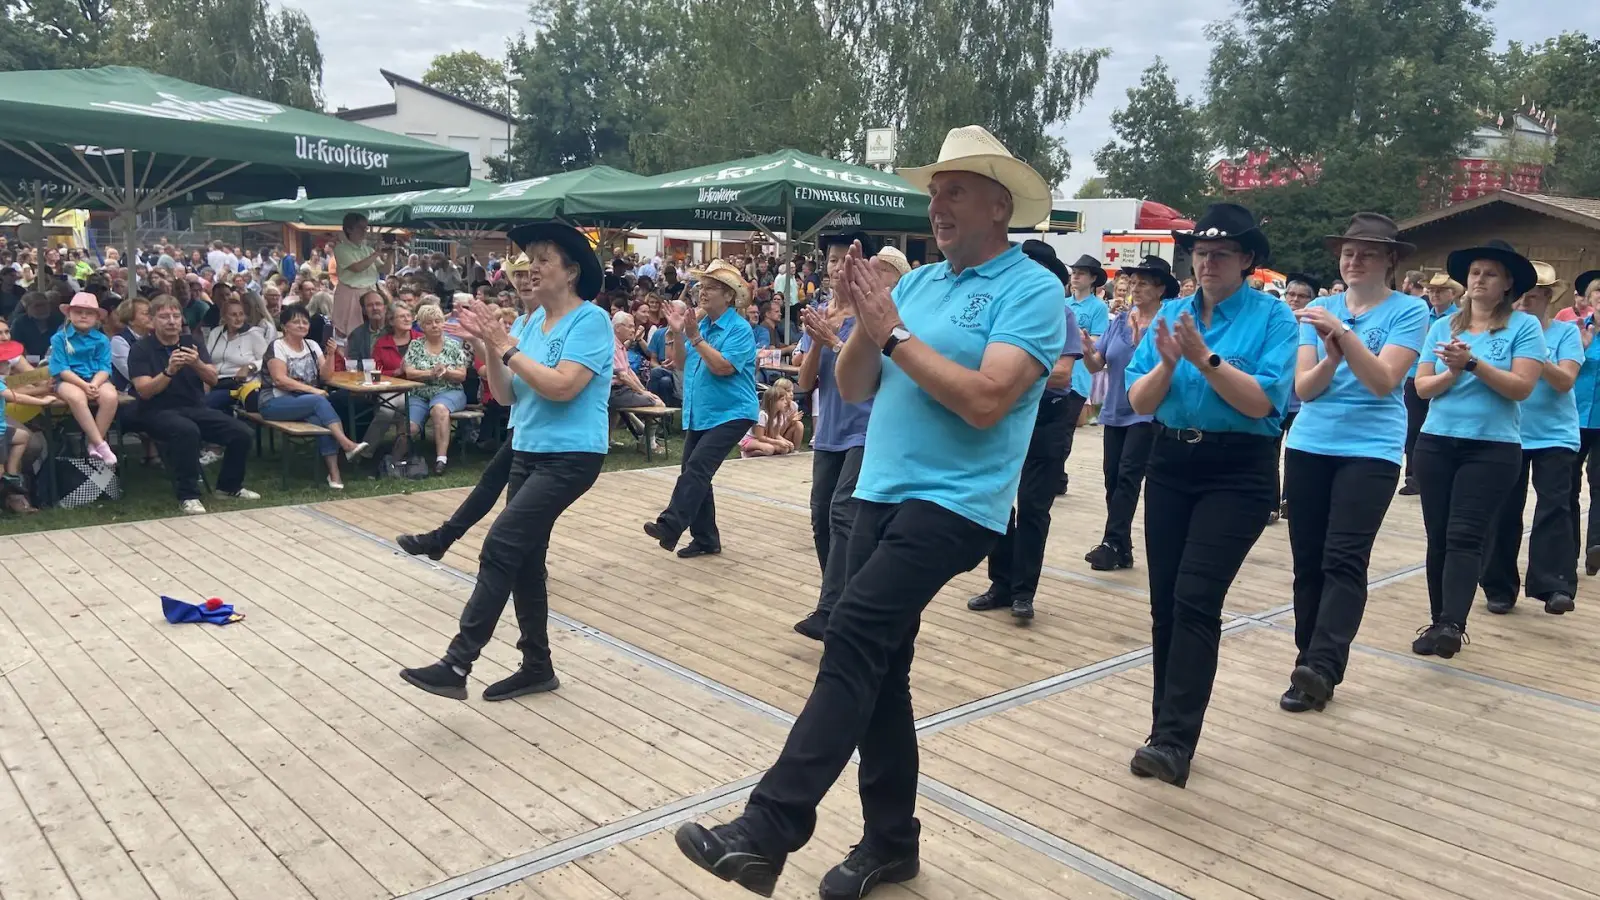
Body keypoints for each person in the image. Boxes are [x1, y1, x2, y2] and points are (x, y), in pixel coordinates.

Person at [673, 125, 1064, 900]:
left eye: (954, 190)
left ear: (1000, 204)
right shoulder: (915, 284)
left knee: (851, 631)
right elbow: (855, 388)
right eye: (934, 190)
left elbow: (988, 402)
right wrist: (861, 321)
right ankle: (892, 843)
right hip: (879, 490)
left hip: (955, 502)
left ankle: (768, 829)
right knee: (881, 672)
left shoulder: (1033, 290)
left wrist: (893, 333)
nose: (937, 203)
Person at [398, 222, 612, 701]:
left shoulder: (590, 321)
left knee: (500, 546)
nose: (530, 268)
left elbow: (562, 387)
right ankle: (537, 665)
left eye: (543, 259)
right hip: (529, 452)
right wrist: (487, 347)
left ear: (572, 271)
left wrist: (505, 345)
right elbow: (504, 394)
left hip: (572, 456)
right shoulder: (531, 322)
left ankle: (457, 663)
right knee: (524, 561)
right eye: (528, 258)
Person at [1122, 202, 1297, 788]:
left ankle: (1175, 741)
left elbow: (1261, 403)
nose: (1209, 262)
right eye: (1200, 252)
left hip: (1238, 469)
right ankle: (1161, 730)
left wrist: (1206, 358)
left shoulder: (1275, 320)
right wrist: (1170, 364)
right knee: (1165, 602)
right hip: (1171, 459)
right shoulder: (1171, 313)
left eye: (1222, 253)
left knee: (1196, 597)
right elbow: (1140, 403)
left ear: (1247, 260)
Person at [1277, 214, 1428, 713]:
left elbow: (1384, 381)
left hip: (1372, 450)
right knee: (1308, 561)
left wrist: (1344, 335)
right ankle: (1307, 667)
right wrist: (1332, 356)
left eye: (1366, 252)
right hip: (1310, 444)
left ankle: (1323, 665)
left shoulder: (1409, 311)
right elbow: (1306, 389)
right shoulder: (1319, 307)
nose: (1353, 260)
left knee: (1343, 558)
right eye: (1347, 251)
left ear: (1391, 259)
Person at [1411, 239, 1544, 658]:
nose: (1479, 279)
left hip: (1491, 446)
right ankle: (1438, 621)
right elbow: (1421, 386)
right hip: (1436, 443)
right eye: (1474, 272)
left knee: (1465, 535)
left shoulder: (1523, 327)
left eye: (1490, 273)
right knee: (1438, 537)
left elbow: (1521, 387)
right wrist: (1452, 373)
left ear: (1507, 284)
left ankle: (1453, 623)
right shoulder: (1443, 326)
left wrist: (1472, 365)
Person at [966, 240, 1082, 621]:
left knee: (1034, 505)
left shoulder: (1060, 313)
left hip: (1047, 418)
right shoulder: (1004, 308)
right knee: (999, 502)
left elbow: (1064, 373)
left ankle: (1023, 591)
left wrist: (1008, 376)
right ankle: (1000, 583)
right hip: (1009, 416)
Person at [791, 233, 895, 641]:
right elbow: (803, 382)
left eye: (842, 260)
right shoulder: (820, 313)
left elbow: (883, 372)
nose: (835, 268)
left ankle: (829, 608)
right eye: (831, 260)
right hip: (829, 430)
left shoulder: (874, 314)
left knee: (841, 512)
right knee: (820, 517)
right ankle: (843, 597)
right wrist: (817, 343)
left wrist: (835, 339)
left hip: (866, 427)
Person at [1480, 261, 1581, 615]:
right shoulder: (1500, 331)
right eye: (1520, 298)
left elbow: (1565, 381)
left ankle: (1554, 585)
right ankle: (1498, 587)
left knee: (1555, 506)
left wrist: (1535, 356)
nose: (1525, 304)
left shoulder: (1565, 333)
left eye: (1535, 298)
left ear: (1549, 298)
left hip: (1555, 434)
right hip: (1509, 431)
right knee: (1503, 510)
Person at [642, 259, 758, 559]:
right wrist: (679, 333)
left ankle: (669, 525)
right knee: (694, 472)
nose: (702, 292)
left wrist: (694, 336)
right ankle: (706, 539)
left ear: (729, 295)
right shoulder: (701, 324)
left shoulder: (739, 329)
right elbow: (680, 363)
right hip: (703, 412)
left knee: (697, 468)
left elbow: (722, 367)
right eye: (701, 286)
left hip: (733, 411)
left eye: (711, 288)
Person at [1081, 255, 1178, 570]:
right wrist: (1085, 349)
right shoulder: (1121, 321)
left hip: (1147, 413)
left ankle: (1111, 542)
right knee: (1112, 478)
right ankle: (1122, 546)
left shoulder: (1168, 324)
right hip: (1114, 410)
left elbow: (1167, 368)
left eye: (1143, 283)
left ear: (1160, 288)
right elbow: (1099, 364)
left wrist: (1140, 341)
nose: (1135, 288)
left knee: (1128, 477)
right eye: (1132, 282)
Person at [127, 295, 260, 514]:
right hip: (156, 411)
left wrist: (196, 363)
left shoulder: (193, 343)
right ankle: (188, 495)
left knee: (242, 432)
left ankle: (228, 487)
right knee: (186, 431)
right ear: (152, 321)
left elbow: (213, 379)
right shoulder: (141, 349)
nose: (171, 321)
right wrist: (169, 371)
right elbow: (145, 391)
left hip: (194, 407)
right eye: (164, 317)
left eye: (176, 316)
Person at [257, 305, 369, 489]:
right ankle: (347, 444)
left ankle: (334, 475)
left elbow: (326, 376)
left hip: (304, 402)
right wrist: (313, 391)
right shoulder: (277, 346)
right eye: (296, 322)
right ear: (285, 326)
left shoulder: (312, 345)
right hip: (273, 402)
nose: (302, 325)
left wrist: (331, 354)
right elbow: (279, 380)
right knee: (319, 401)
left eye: (305, 321)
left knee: (321, 421)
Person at [1399, 273, 1463, 495]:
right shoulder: (1423, 315)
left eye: (1441, 290)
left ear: (1453, 294)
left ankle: (1431, 475)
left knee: (1432, 425)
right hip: (1414, 375)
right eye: (1432, 290)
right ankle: (1412, 476)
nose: (1434, 294)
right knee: (1413, 426)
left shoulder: (1458, 319)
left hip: (1444, 377)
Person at [1269, 272, 1320, 523]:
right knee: (1270, 450)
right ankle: (1270, 503)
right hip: (1277, 399)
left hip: (1303, 400)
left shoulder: (1316, 326)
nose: (1295, 300)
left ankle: (1290, 499)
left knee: (1296, 451)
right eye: (1291, 294)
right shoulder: (1275, 322)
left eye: (1302, 296)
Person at [1056, 254, 1109, 494]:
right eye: (1074, 272)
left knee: (1066, 428)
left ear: (1093, 279)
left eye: (1081, 273)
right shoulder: (1063, 303)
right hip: (1057, 370)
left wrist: (1074, 336)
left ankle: (1057, 475)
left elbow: (1097, 341)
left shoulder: (1098, 307)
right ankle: (1056, 475)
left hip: (1078, 376)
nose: (1075, 276)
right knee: (1052, 428)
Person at [49, 292, 120, 465]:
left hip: (96, 378)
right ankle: (101, 444)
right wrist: (83, 385)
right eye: (78, 311)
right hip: (68, 380)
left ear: (97, 317)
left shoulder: (102, 339)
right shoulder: (59, 338)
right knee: (76, 397)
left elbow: (105, 367)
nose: (83, 315)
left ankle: (92, 444)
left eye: (88, 313)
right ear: (69, 314)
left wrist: (94, 384)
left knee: (110, 396)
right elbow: (62, 369)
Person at [403, 303, 471, 475]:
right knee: (410, 427)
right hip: (420, 393)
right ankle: (402, 459)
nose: (434, 325)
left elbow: (462, 374)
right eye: (429, 322)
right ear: (422, 326)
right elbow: (409, 372)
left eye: (438, 321)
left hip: (449, 391)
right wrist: (430, 373)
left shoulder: (453, 345)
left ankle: (441, 459)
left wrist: (446, 372)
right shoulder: (415, 345)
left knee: (439, 410)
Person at [1572, 269, 1600, 575]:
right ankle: (1567, 549)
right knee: (1566, 483)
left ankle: (1596, 546)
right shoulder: (1574, 330)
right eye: (1598, 292)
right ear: (1588, 299)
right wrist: (1581, 346)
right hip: (1573, 416)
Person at [203, 295, 268, 410]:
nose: (238, 318)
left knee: (207, 403)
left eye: (241, 314)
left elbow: (267, 360)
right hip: (215, 382)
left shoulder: (253, 334)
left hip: (239, 385)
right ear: (224, 316)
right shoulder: (216, 333)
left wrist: (250, 366)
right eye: (233, 315)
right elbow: (207, 359)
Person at [373, 303, 415, 378]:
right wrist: (396, 372)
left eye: (409, 316)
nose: (407, 319)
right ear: (391, 321)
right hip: (392, 387)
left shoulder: (421, 339)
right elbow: (375, 372)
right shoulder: (382, 344)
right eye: (402, 316)